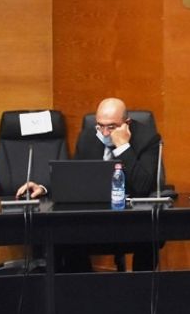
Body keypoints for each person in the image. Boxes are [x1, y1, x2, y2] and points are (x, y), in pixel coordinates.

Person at [20, 97, 163, 271]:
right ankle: (83, 285)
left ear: (127, 123)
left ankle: (141, 286)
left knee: (151, 234)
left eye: (111, 127)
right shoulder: (88, 137)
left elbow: (143, 185)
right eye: (100, 126)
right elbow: (74, 178)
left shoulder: (148, 139)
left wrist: (123, 147)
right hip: (95, 218)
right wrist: (43, 188)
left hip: (131, 220)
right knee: (63, 233)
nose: (105, 133)